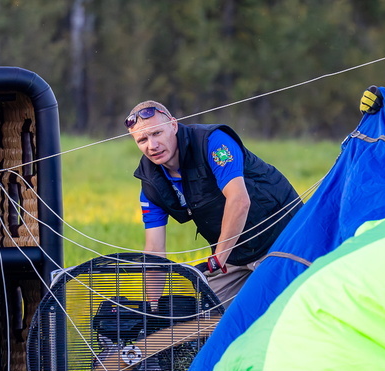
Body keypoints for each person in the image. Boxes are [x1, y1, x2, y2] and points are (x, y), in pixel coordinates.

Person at [126, 100, 302, 306]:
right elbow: (155, 249)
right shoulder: (151, 184)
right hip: (234, 254)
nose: (152, 146)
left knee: (279, 310)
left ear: (173, 125)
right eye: (142, 140)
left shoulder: (214, 142)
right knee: (206, 315)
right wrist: (152, 306)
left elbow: (239, 200)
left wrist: (218, 258)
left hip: (281, 239)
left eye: (157, 133)